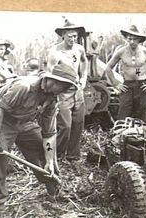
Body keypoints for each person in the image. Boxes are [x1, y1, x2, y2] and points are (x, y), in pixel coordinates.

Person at [0, 63, 79, 214]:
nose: (63, 92)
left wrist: (49, 160)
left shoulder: (52, 101)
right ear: (53, 81)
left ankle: (54, 191)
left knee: (40, 149)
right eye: (63, 87)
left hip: (24, 121)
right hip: (0, 118)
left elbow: (48, 135)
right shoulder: (24, 87)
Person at [105, 24, 146, 121]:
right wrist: (116, 84)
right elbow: (108, 67)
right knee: (123, 114)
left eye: (134, 39)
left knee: (142, 114)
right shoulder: (121, 52)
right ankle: (121, 134)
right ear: (126, 39)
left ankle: (140, 135)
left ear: (139, 40)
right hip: (127, 86)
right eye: (129, 39)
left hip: (142, 86)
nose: (131, 41)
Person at [47, 20, 88, 161]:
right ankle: (56, 156)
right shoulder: (55, 52)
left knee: (78, 123)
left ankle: (73, 155)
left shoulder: (79, 49)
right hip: (63, 92)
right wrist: (54, 94)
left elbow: (84, 62)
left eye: (75, 36)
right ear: (63, 35)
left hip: (78, 90)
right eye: (70, 36)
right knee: (65, 126)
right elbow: (50, 74)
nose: (73, 39)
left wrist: (84, 79)